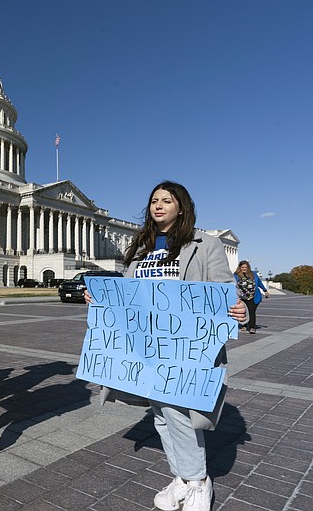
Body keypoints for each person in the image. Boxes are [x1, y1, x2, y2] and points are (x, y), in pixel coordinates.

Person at [87, 181, 247, 511]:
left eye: (167, 201)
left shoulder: (205, 244)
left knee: (179, 413)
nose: (158, 206)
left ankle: (199, 481)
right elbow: (130, 294)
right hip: (147, 344)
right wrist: (101, 298)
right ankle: (181, 478)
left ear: (181, 207)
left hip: (185, 343)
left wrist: (239, 311)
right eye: (154, 201)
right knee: (160, 413)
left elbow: (223, 290)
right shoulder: (141, 246)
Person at [234, 260, 268, 334]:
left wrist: (265, 290)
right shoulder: (236, 275)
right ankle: (244, 324)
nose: (244, 268)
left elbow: (259, 282)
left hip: (253, 296)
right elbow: (232, 284)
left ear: (248, 267)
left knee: (251, 311)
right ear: (240, 267)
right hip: (242, 296)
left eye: (246, 267)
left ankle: (252, 327)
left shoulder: (253, 274)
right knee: (243, 311)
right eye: (242, 267)